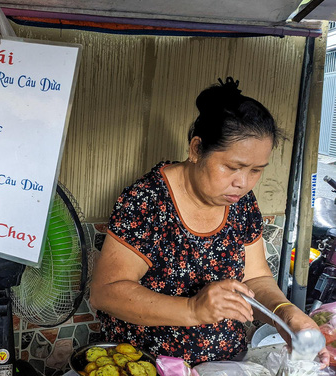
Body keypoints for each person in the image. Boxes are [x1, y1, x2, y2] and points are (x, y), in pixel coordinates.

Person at [89, 77, 329, 366]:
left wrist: (286, 315)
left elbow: (256, 278)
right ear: (196, 149)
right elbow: (106, 292)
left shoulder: (241, 203)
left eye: (256, 170)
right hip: (152, 364)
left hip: (225, 364)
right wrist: (192, 309)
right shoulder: (148, 200)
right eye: (232, 167)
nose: (242, 183)